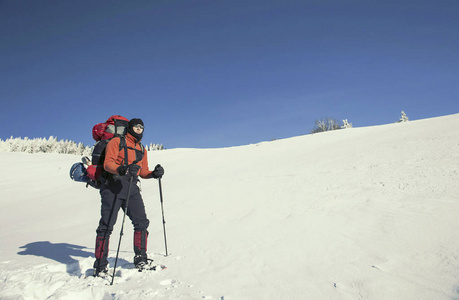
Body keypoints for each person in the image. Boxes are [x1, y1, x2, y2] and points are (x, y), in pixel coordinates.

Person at [93, 118, 164, 276]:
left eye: (141, 127)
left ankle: (141, 258)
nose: (139, 129)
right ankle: (100, 265)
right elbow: (108, 164)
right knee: (106, 226)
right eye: (136, 126)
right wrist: (124, 169)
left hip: (131, 188)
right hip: (112, 186)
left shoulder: (141, 148)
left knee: (141, 222)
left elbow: (142, 171)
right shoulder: (116, 142)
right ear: (130, 128)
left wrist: (153, 173)